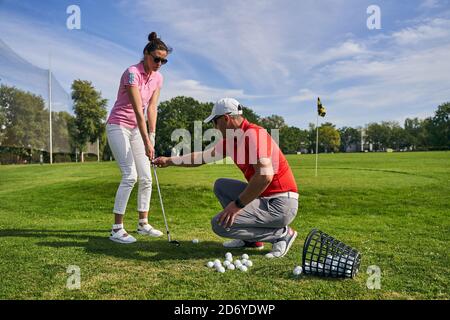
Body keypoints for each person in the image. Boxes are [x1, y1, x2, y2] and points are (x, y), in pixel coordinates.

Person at [153, 98, 299, 258]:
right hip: (265, 199)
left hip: (280, 204)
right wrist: (169, 161)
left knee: (220, 225)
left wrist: (237, 205)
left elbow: (265, 176)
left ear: (226, 118)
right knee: (221, 185)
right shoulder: (231, 140)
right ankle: (249, 240)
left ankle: (281, 234)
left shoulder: (254, 134)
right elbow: (201, 157)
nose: (214, 127)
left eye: (215, 122)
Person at [106, 32, 172, 244]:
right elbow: (137, 110)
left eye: (164, 60)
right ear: (146, 54)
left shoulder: (158, 77)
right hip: (119, 126)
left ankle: (143, 224)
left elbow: (152, 107)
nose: (159, 63)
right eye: (156, 59)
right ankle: (117, 229)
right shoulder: (132, 73)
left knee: (146, 177)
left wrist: (151, 135)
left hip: (137, 129)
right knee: (130, 175)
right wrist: (146, 141)